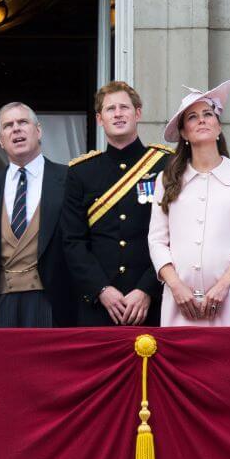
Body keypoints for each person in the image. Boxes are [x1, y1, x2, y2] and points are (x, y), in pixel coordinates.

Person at [148, 81, 230, 327]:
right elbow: (157, 240)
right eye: (192, 117)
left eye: (207, 114)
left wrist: (223, 285)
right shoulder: (167, 179)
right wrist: (176, 286)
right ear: (184, 133)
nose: (201, 120)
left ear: (218, 127)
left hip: (229, 299)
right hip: (180, 303)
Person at [62, 81, 171, 327]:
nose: (118, 113)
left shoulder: (166, 166)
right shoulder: (81, 172)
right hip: (100, 306)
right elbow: (73, 241)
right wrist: (101, 290)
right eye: (110, 109)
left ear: (138, 113)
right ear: (100, 119)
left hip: (153, 303)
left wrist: (147, 289)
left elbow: (176, 235)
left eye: (125, 107)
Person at [0, 102, 75, 327]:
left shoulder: (69, 179)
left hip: (51, 301)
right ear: (0, 140)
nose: (16, 129)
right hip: (0, 303)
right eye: (8, 125)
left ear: (38, 131)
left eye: (22, 122)